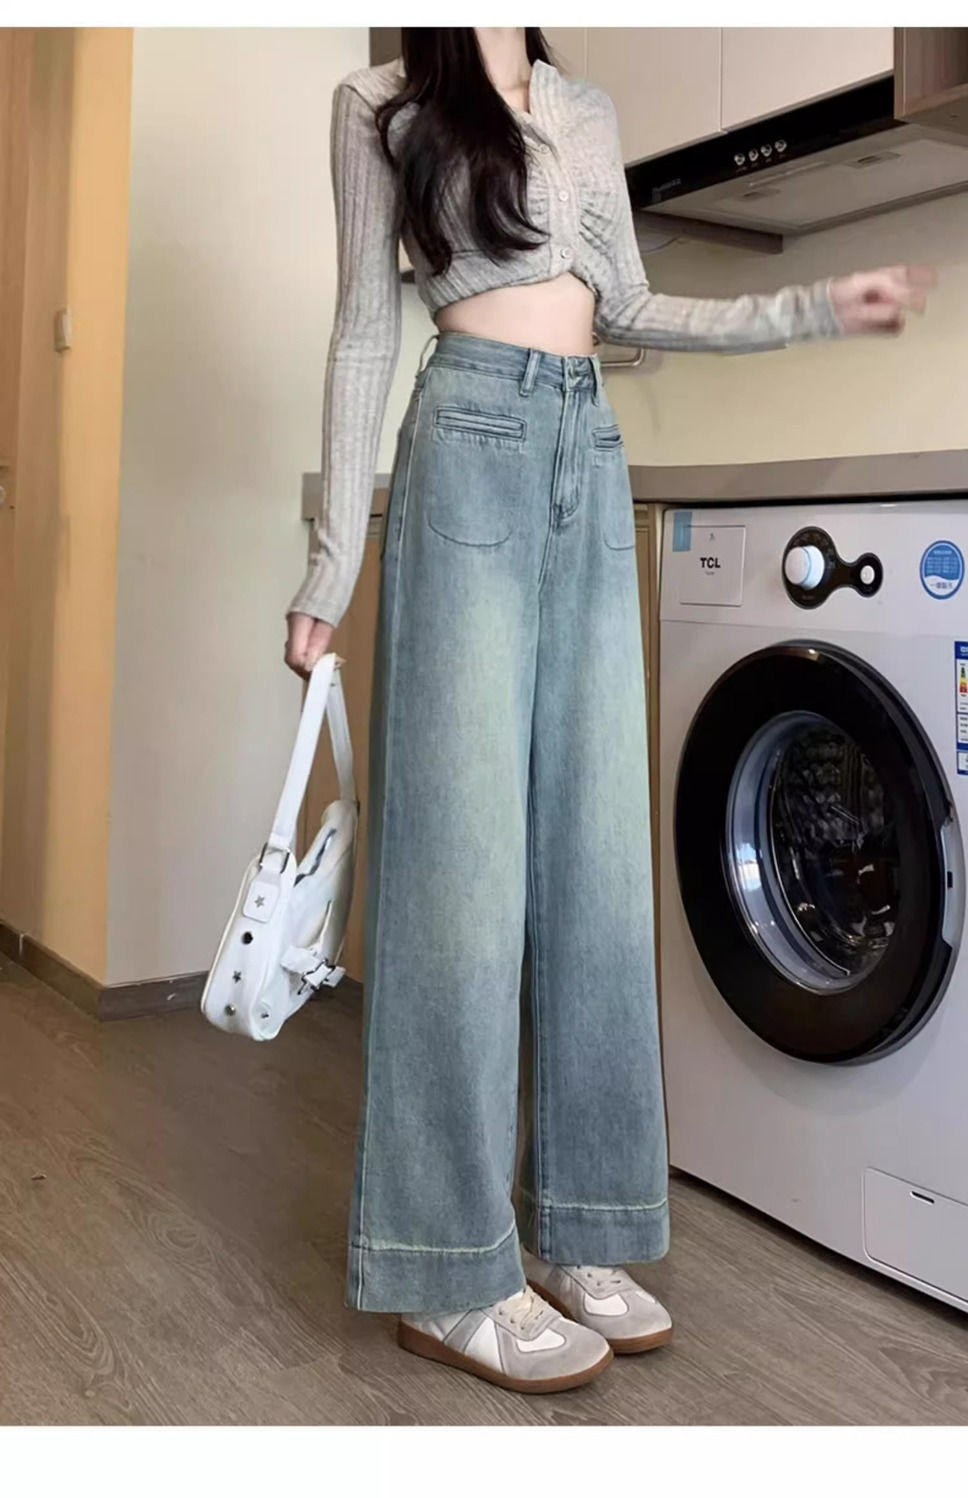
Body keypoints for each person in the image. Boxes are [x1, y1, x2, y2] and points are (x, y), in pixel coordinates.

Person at [284, 27, 933, 1395]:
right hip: (467, 445)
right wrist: (331, 567)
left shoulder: (583, 107)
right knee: (461, 877)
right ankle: (448, 1267)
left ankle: (582, 1229)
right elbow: (361, 331)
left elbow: (626, 302)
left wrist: (810, 309)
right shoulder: (380, 105)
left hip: (588, 443)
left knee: (597, 862)